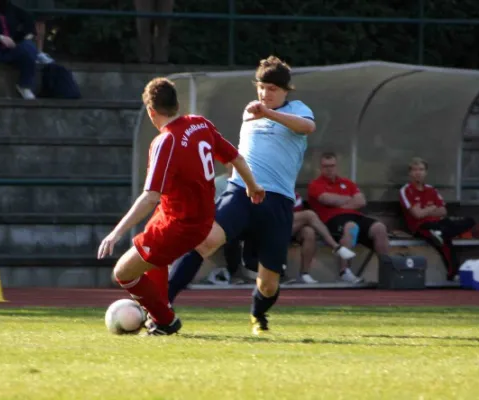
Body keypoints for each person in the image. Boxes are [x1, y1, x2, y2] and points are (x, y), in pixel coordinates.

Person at [167, 56, 354, 335]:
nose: (266, 94)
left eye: (273, 89)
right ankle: (161, 304)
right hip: (241, 192)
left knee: (268, 284)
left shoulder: (298, 110)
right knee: (205, 241)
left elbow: (307, 128)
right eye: (262, 88)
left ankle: (258, 315)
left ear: (286, 91)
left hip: (276, 203)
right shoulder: (250, 110)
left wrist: (269, 114)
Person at [97, 77, 264, 336]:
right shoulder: (200, 124)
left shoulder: (166, 141)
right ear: (177, 104)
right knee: (152, 262)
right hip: (192, 217)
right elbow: (236, 158)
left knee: (123, 272)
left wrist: (116, 232)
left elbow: (151, 196)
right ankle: (158, 312)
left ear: (151, 112)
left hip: (179, 224)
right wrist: (253, 186)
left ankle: (165, 320)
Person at [307, 152, 390, 283]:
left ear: (337, 166)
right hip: (331, 220)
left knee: (379, 227)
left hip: (355, 216)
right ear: (320, 168)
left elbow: (361, 201)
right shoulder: (315, 184)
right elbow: (326, 199)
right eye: (325, 166)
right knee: (351, 227)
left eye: (332, 166)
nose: (329, 169)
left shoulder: (347, 182)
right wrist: (350, 200)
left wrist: (339, 202)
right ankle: (344, 271)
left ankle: (387, 270)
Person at [400, 157, 476, 281]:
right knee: (445, 240)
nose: (418, 173)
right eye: (415, 170)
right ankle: (453, 273)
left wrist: (426, 209)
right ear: (410, 173)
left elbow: (443, 211)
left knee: (470, 221)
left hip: (439, 223)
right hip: (422, 226)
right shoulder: (406, 190)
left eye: (421, 169)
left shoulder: (431, 189)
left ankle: (442, 233)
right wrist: (432, 208)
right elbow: (417, 215)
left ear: (426, 172)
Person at [289, 192, 356, 284]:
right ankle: (336, 247)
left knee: (309, 232)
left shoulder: (294, 195)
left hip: (288, 229)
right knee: (309, 214)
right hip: (270, 227)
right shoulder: (269, 191)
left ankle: (304, 274)